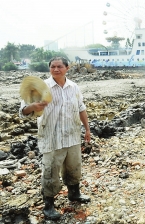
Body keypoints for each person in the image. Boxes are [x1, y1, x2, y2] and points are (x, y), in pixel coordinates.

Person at [19, 57, 91, 220]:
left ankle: (74, 194)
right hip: (51, 137)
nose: (56, 69)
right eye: (52, 67)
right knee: (50, 171)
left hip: (72, 135)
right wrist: (32, 107)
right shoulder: (39, 88)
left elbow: (81, 108)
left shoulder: (74, 87)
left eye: (59, 66)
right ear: (49, 69)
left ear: (67, 68)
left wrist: (87, 129)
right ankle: (48, 206)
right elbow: (22, 111)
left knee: (74, 166)